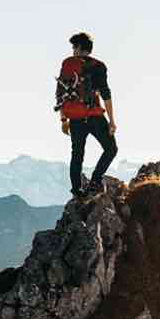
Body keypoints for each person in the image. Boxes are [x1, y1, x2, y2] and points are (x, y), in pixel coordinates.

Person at [56, 32, 118, 197]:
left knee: (77, 155)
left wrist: (63, 119)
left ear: (78, 48)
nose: (72, 51)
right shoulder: (98, 66)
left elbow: (60, 93)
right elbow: (105, 94)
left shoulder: (67, 64)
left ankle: (77, 190)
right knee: (111, 148)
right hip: (94, 116)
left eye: (73, 47)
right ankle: (95, 181)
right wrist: (111, 121)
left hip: (75, 119)